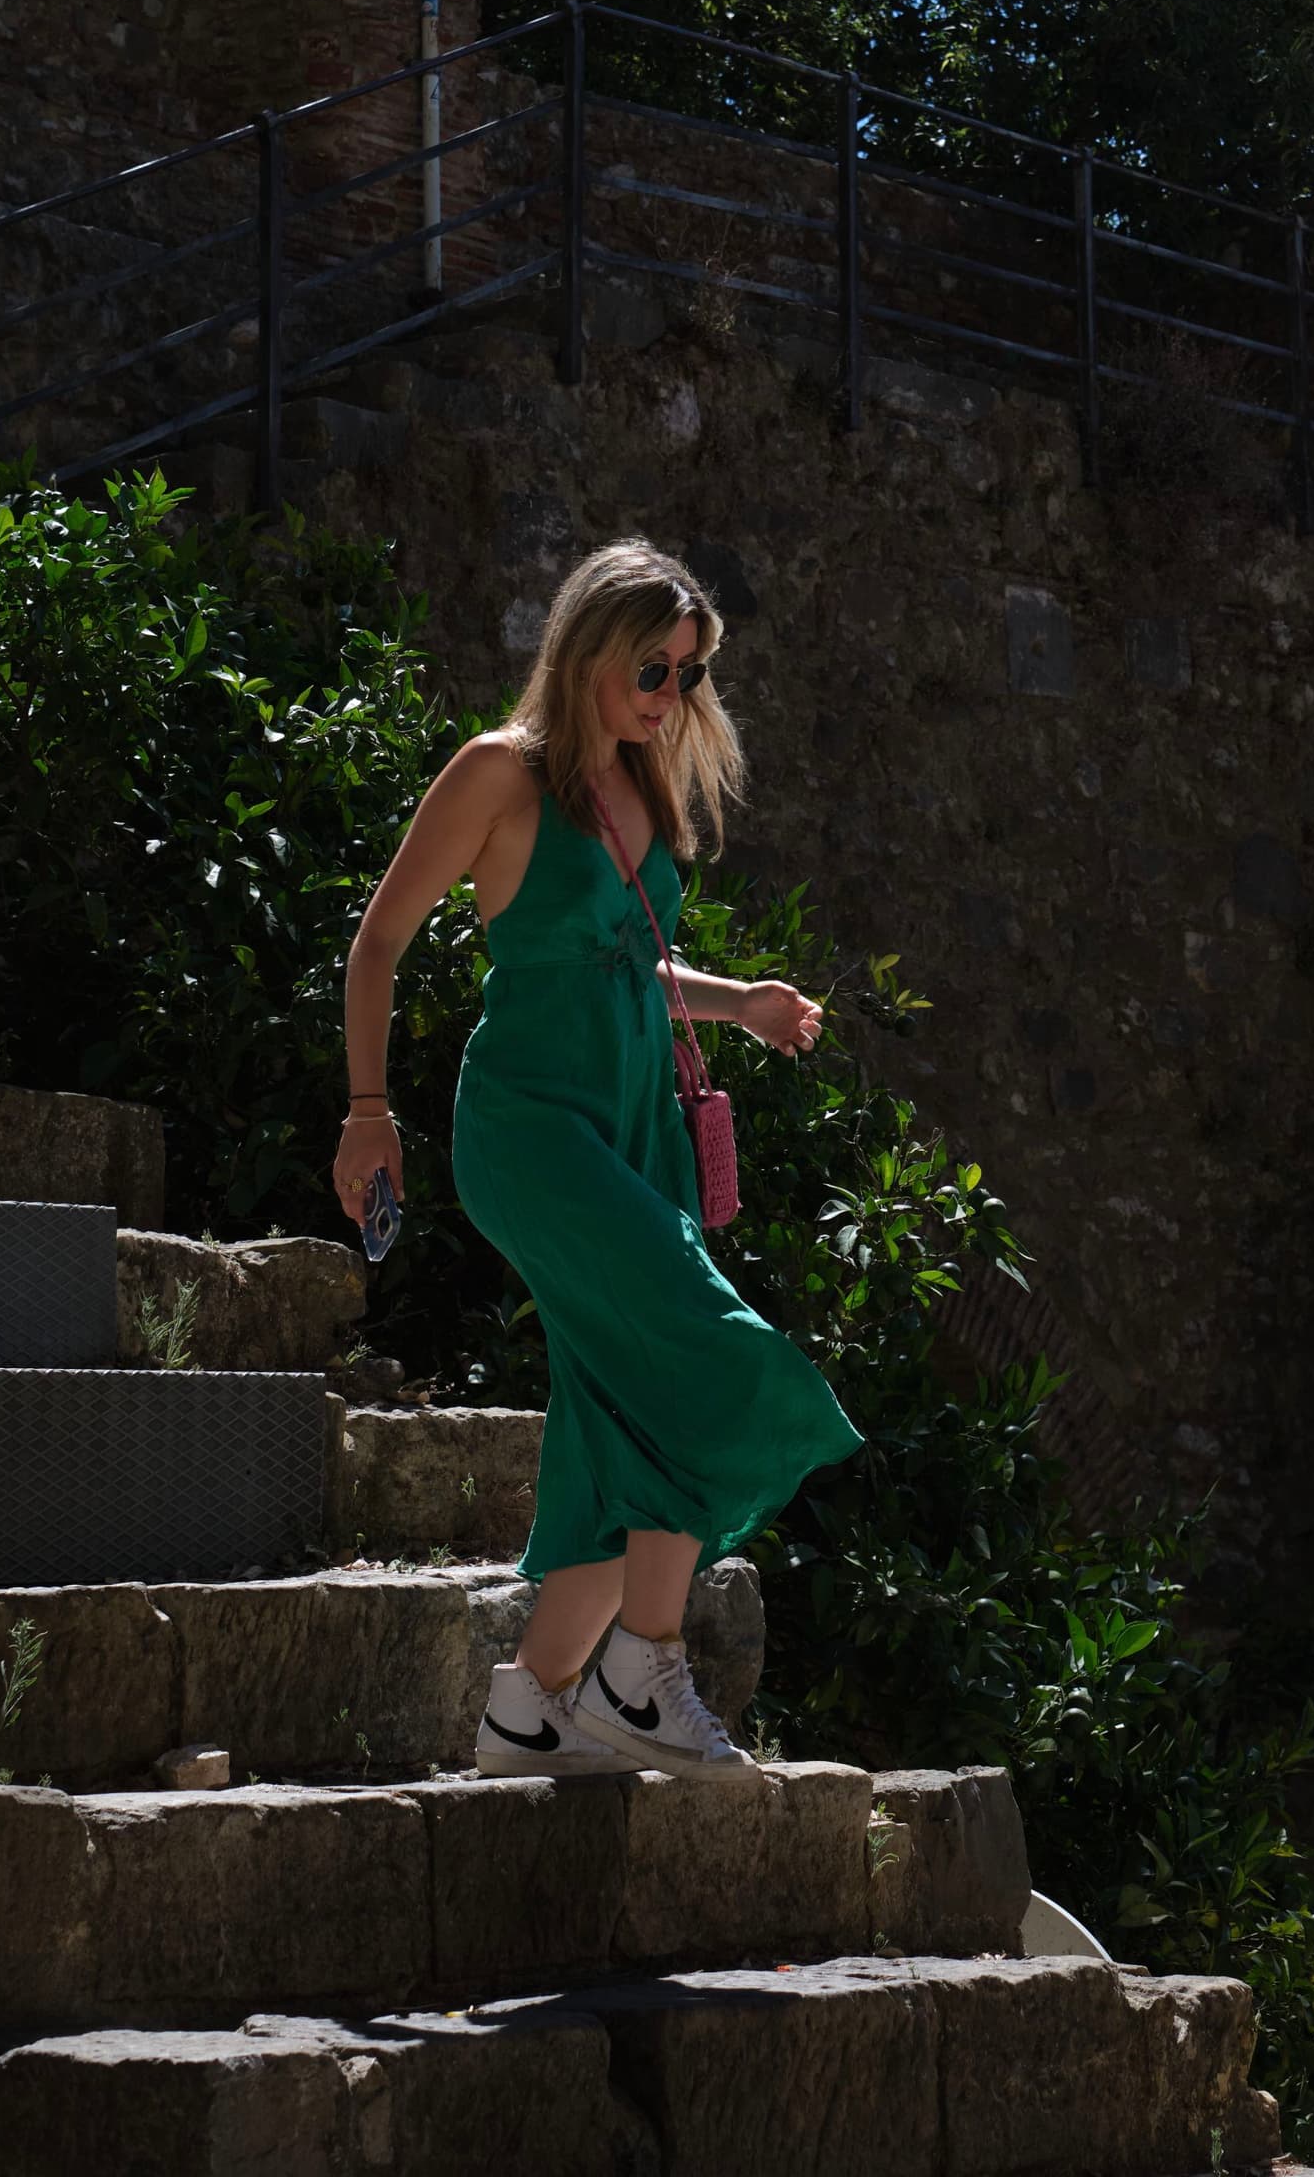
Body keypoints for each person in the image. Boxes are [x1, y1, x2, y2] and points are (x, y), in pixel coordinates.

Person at [332, 538, 862, 1776]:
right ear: (586, 649)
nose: (667, 693)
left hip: (640, 1127)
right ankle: (644, 1671)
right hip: (534, 1128)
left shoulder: (642, 783)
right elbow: (376, 947)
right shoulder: (497, 776)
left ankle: (531, 1711)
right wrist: (368, 1109)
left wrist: (743, 1004)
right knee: (704, 1358)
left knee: (613, 1424)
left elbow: (628, 958)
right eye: (650, 666)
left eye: (684, 674)